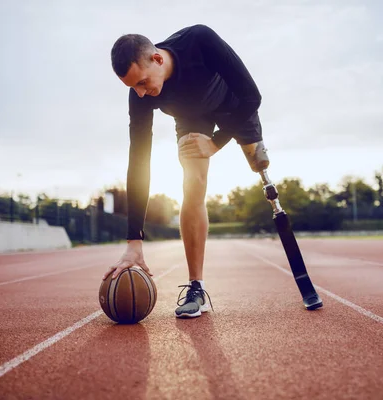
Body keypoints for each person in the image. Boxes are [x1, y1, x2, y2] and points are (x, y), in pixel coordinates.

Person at [103, 24, 263, 318]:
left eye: (142, 82)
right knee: (193, 186)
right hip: (191, 121)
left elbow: (252, 96)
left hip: (233, 105)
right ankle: (196, 287)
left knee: (259, 163)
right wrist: (134, 241)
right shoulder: (139, 97)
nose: (140, 94)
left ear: (158, 60)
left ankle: (261, 166)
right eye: (133, 88)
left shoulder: (199, 41)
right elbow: (139, 161)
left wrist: (216, 143)